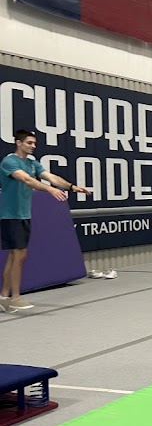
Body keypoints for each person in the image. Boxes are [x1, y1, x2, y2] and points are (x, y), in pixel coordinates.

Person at [0, 129, 92, 313]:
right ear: (18, 143)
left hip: (24, 214)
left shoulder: (32, 162)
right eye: (29, 143)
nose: (33, 146)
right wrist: (49, 190)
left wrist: (72, 187)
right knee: (19, 255)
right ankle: (15, 297)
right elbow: (27, 180)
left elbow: (51, 177)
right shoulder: (9, 162)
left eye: (34, 143)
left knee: (15, 256)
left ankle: (3, 297)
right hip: (11, 215)